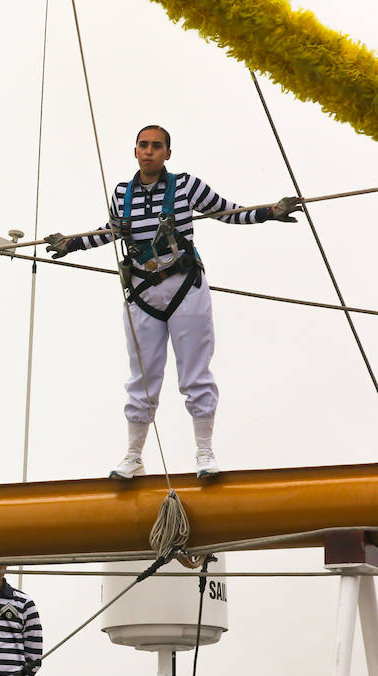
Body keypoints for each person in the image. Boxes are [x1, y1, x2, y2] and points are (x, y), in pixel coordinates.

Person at [45, 125, 300, 479]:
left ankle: (204, 452)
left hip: (184, 286)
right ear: (135, 151)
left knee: (194, 373)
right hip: (142, 293)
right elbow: (111, 231)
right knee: (143, 377)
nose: (149, 151)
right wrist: (70, 243)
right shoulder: (122, 192)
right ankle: (133, 455)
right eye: (143, 146)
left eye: (157, 146)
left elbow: (226, 212)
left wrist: (270, 211)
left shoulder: (185, 186)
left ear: (168, 153)